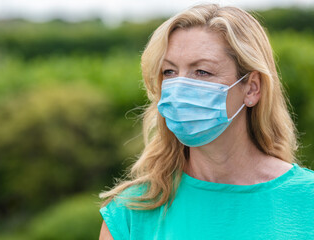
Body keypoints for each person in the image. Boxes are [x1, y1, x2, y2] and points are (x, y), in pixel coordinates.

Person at [99, 4, 314, 240]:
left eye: (202, 71)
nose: (179, 88)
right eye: (169, 72)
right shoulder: (130, 212)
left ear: (252, 88)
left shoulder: (307, 200)